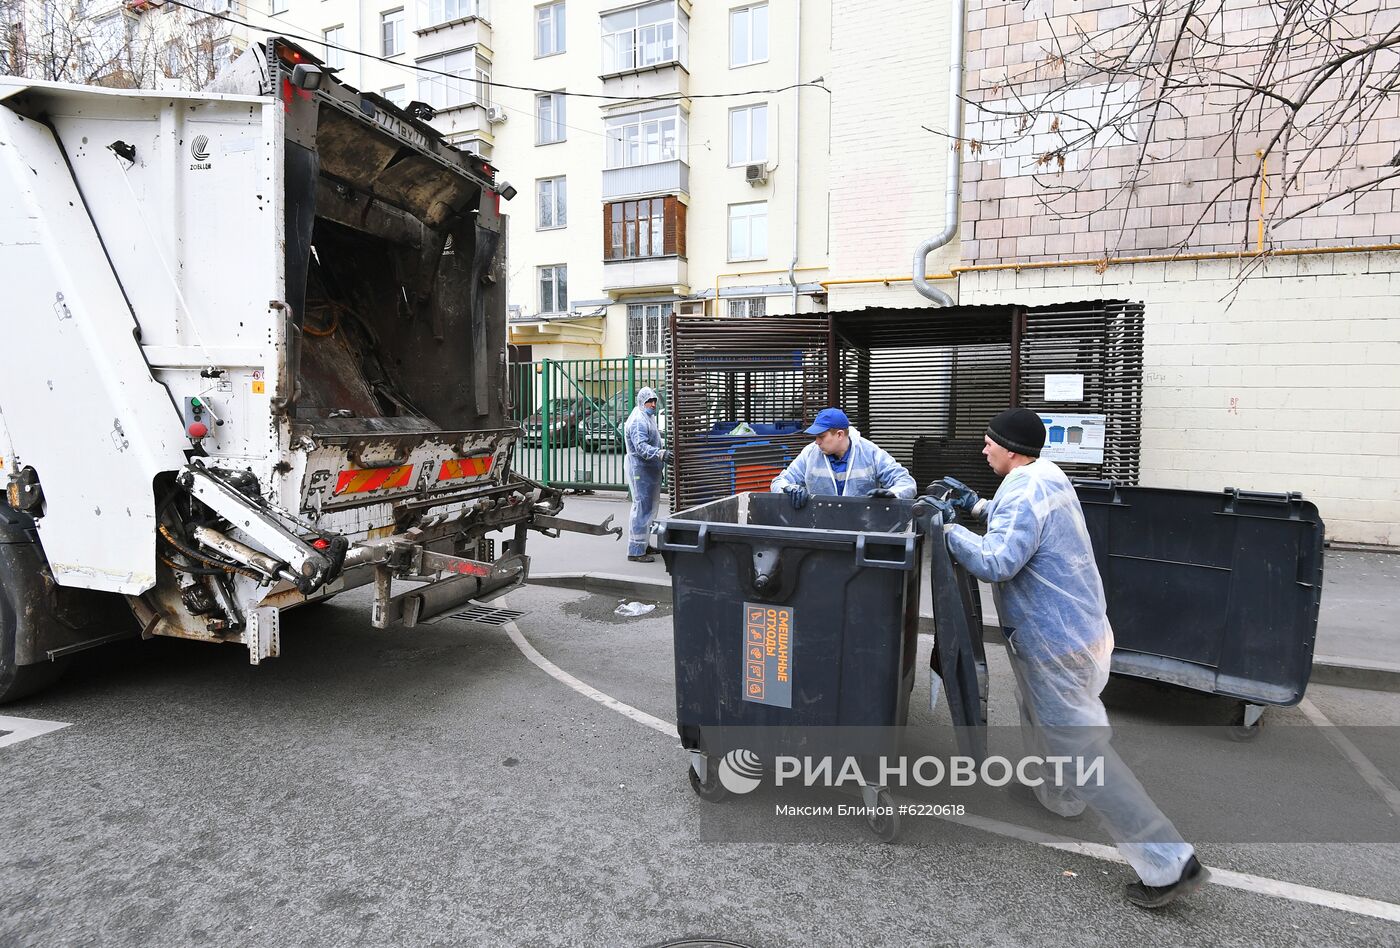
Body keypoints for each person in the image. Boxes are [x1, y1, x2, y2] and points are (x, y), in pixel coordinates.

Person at [931, 407, 1206, 910]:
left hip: (1054, 641)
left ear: (1012, 450)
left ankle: (1169, 862)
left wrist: (946, 529)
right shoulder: (1047, 476)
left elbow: (997, 560)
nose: (984, 449)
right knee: (1040, 717)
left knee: (1081, 750)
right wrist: (974, 506)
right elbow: (1021, 522)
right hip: (1078, 630)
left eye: (990, 442)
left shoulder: (1023, 488)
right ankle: (1056, 798)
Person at [770, 407, 916, 507]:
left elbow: (906, 482)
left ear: (839, 434)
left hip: (861, 530)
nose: (817, 441)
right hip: (820, 529)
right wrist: (789, 488)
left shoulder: (870, 453)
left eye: (821, 436)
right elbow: (778, 481)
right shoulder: (810, 453)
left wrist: (893, 494)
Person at [623, 387, 667, 563]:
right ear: (642, 401)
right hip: (640, 469)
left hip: (649, 469)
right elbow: (640, 447)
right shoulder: (638, 421)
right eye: (650, 401)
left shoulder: (648, 417)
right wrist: (660, 454)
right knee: (641, 508)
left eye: (655, 401)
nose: (653, 404)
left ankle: (643, 543)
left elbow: (653, 439)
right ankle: (635, 550)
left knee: (649, 509)